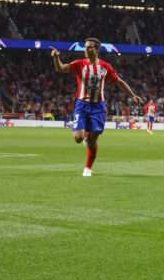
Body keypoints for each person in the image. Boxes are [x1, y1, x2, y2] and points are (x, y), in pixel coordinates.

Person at [51, 38, 142, 177]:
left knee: (93, 140)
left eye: (89, 48)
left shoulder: (105, 67)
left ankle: (88, 168)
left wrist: (133, 95)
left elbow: (119, 82)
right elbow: (60, 68)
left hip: (99, 106)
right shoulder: (79, 64)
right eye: (85, 47)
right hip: (82, 104)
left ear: (97, 50)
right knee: (78, 138)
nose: (86, 50)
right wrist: (56, 58)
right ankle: (84, 135)